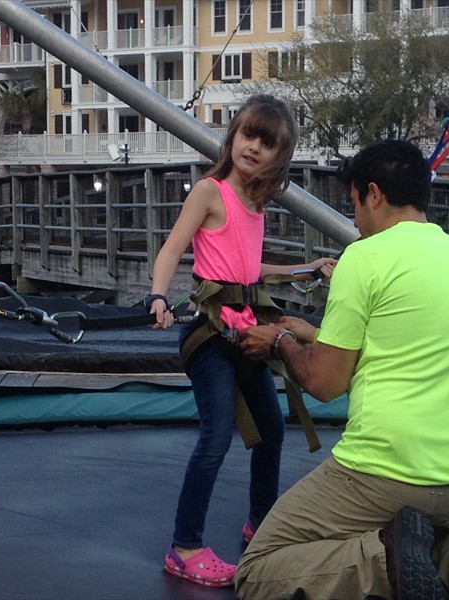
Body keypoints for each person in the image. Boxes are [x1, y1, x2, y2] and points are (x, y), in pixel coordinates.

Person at [235, 139, 449, 600]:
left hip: (380, 475)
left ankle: (384, 563)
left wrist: (282, 340)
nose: (354, 219)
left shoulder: (364, 258)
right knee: (394, 537)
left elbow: (323, 383)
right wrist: (314, 334)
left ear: (373, 193)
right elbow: (401, 340)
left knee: (257, 571)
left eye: (353, 204)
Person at [147, 94, 337, 588]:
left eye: (266, 143)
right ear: (233, 136)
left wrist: (306, 268)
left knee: (271, 431)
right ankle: (184, 546)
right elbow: (172, 248)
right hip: (211, 334)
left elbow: (251, 273)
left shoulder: (256, 205)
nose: (253, 148)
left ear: (279, 157)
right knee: (215, 436)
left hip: (247, 332)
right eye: (248, 135)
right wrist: (158, 297)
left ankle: (261, 525)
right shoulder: (210, 192)